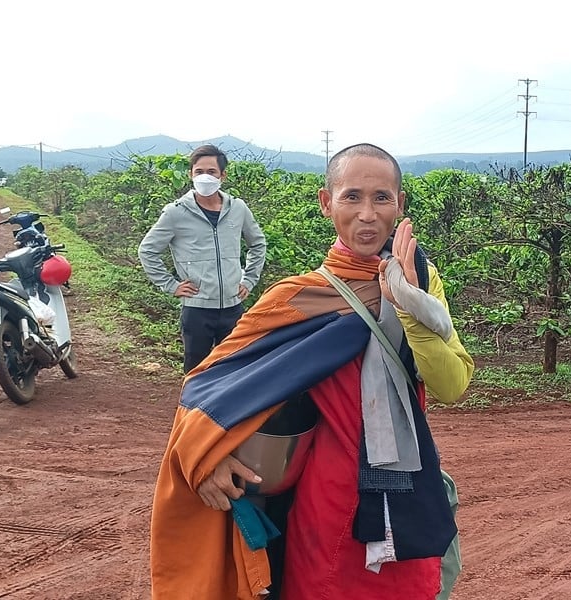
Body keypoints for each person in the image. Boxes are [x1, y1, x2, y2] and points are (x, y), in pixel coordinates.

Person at [149, 143, 474, 599]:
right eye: (351, 196)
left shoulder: (419, 278)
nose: (367, 214)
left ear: (400, 205)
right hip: (329, 502)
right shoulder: (300, 297)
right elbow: (209, 382)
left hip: (409, 497)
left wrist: (408, 305)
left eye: (381, 198)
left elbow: (452, 384)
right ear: (327, 203)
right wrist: (207, 452)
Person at [137, 144, 267, 373]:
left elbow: (257, 243)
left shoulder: (238, 208)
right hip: (197, 309)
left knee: (234, 367)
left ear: (222, 175)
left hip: (233, 306)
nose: (205, 177)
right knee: (196, 370)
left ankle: (229, 410)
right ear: (191, 174)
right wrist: (171, 285)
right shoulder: (175, 212)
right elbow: (147, 250)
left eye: (211, 172)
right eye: (199, 172)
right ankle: (192, 409)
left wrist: (248, 280)